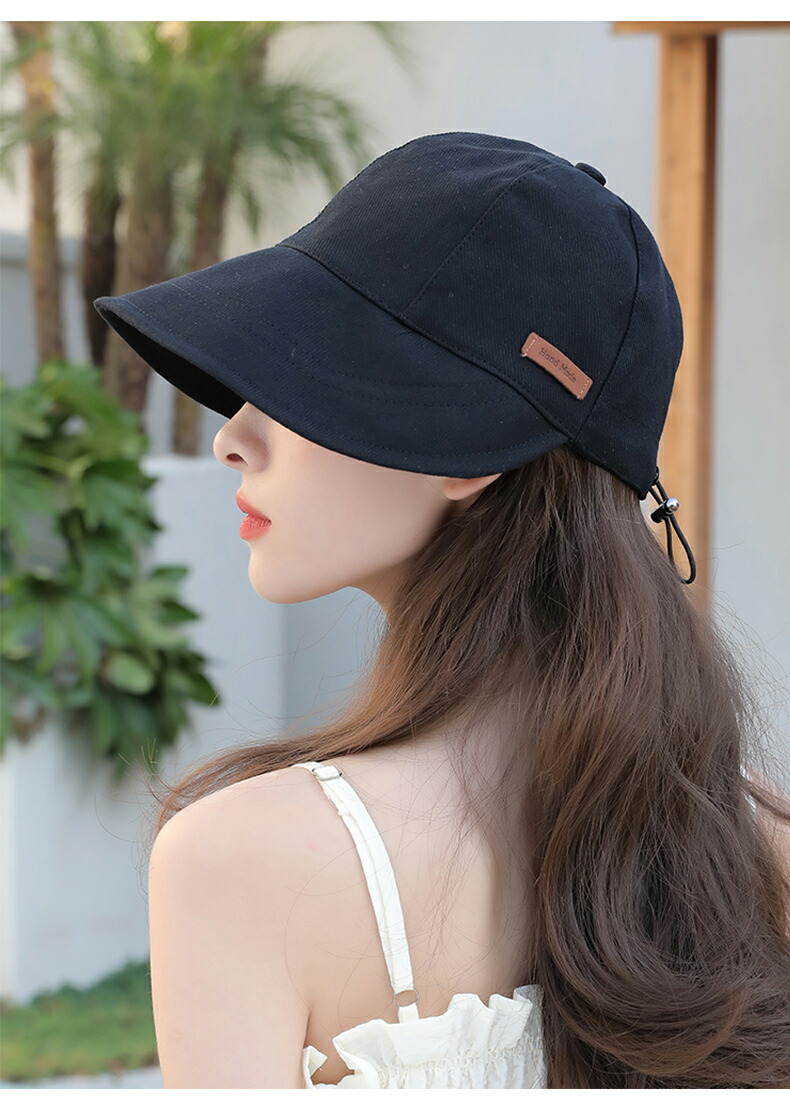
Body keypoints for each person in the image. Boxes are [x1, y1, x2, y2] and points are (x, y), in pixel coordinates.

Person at [95, 132, 790, 1089]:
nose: (234, 437)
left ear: (469, 440)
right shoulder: (751, 840)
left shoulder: (240, 862)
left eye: (300, 371)